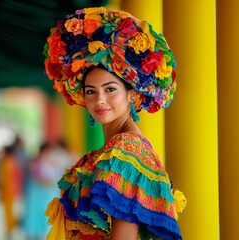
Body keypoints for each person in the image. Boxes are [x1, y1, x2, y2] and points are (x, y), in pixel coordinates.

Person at [43, 7, 187, 240]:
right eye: (91, 91)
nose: (99, 100)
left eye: (110, 89)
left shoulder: (125, 152)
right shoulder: (112, 151)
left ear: (132, 94)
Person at [0, 144, 23, 238]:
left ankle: (10, 229)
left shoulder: (4, 162)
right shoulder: (14, 161)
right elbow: (18, 176)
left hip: (6, 189)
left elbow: (0, 178)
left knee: (7, 211)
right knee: (10, 210)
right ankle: (11, 228)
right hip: (12, 189)